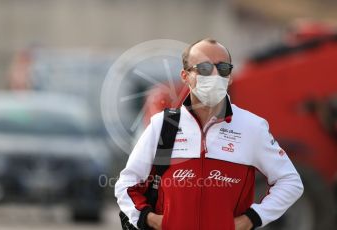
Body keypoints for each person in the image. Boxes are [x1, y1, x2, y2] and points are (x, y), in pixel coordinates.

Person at [115, 38, 304, 230]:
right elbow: (126, 184)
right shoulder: (164, 125)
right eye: (204, 68)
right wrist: (151, 219)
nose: (214, 75)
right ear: (185, 76)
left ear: (230, 76)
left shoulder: (252, 127)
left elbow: (290, 181)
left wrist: (251, 219)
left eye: (222, 68)